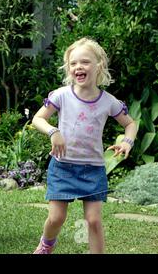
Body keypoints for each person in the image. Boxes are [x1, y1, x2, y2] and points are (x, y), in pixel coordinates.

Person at [31, 37, 137, 254]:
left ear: (99, 66)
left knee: (93, 221)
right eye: (73, 63)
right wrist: (54, 131)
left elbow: (130, 124)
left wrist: (127, 142)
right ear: (69, 69)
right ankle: (46, 245)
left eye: (85, 62)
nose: (78, 67)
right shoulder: (61, 95)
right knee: (56, 217)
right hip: (63, 168)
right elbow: (37, 119)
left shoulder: (109, 101)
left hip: (93, 169)